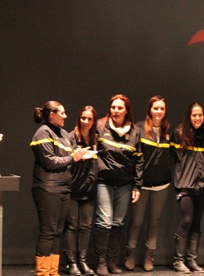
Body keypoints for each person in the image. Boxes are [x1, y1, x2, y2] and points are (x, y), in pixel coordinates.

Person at [31, 101, 92, 276]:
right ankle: (42, 273)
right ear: (52, 114)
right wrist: (74, 157)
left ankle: (52, 271)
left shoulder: (64, 134)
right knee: (48, 232)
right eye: (62, 113)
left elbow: (70, 156)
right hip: (47, 188)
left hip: (64, 188)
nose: (66, 116)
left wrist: (83, 155)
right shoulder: (42, 133)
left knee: (58, 231)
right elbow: (49, 161)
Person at [95, 94, 143, 276]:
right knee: (104, 221)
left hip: (125, 183)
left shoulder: (135, 131)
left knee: (117, 222)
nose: (115, 111)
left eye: (119, 108)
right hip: (104, 181)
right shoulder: (100, 126)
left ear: (126, 110)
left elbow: (139, 161)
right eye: (113, 107)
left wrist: (137, 186)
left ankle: (111, 261)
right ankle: (100, 262)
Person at [125, 96, 172, 271]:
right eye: (155, 108)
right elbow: (134, 158)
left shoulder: (169, 131)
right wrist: (136, 183)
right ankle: (129, 255)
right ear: (149, 110)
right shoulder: (138, 128)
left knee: (155, 222)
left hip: (162, 185)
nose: (158, 112)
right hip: (142, 185)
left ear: (165, 111)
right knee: (136, 221)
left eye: (162, 108)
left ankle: (149, 257)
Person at [170, 102, 204, 274]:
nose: (197, 118)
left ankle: (191, 259)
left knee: (196, 224)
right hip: (185, 186)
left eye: (200, 115)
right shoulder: (179, 133)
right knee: (186, 221)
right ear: (189, 116)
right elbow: (172, 159)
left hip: (202, 187)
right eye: (194, 115)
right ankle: (178, 261)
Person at [63, 106, 99, 276]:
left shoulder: (96, 138)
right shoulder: (70, 137)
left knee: (85, 227)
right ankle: (72, 263)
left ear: (94, 121)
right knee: (71, 226)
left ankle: (83, 261)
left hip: (89, 190)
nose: (85, 122)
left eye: (89, 119)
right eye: (83, 118)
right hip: (72, 189)